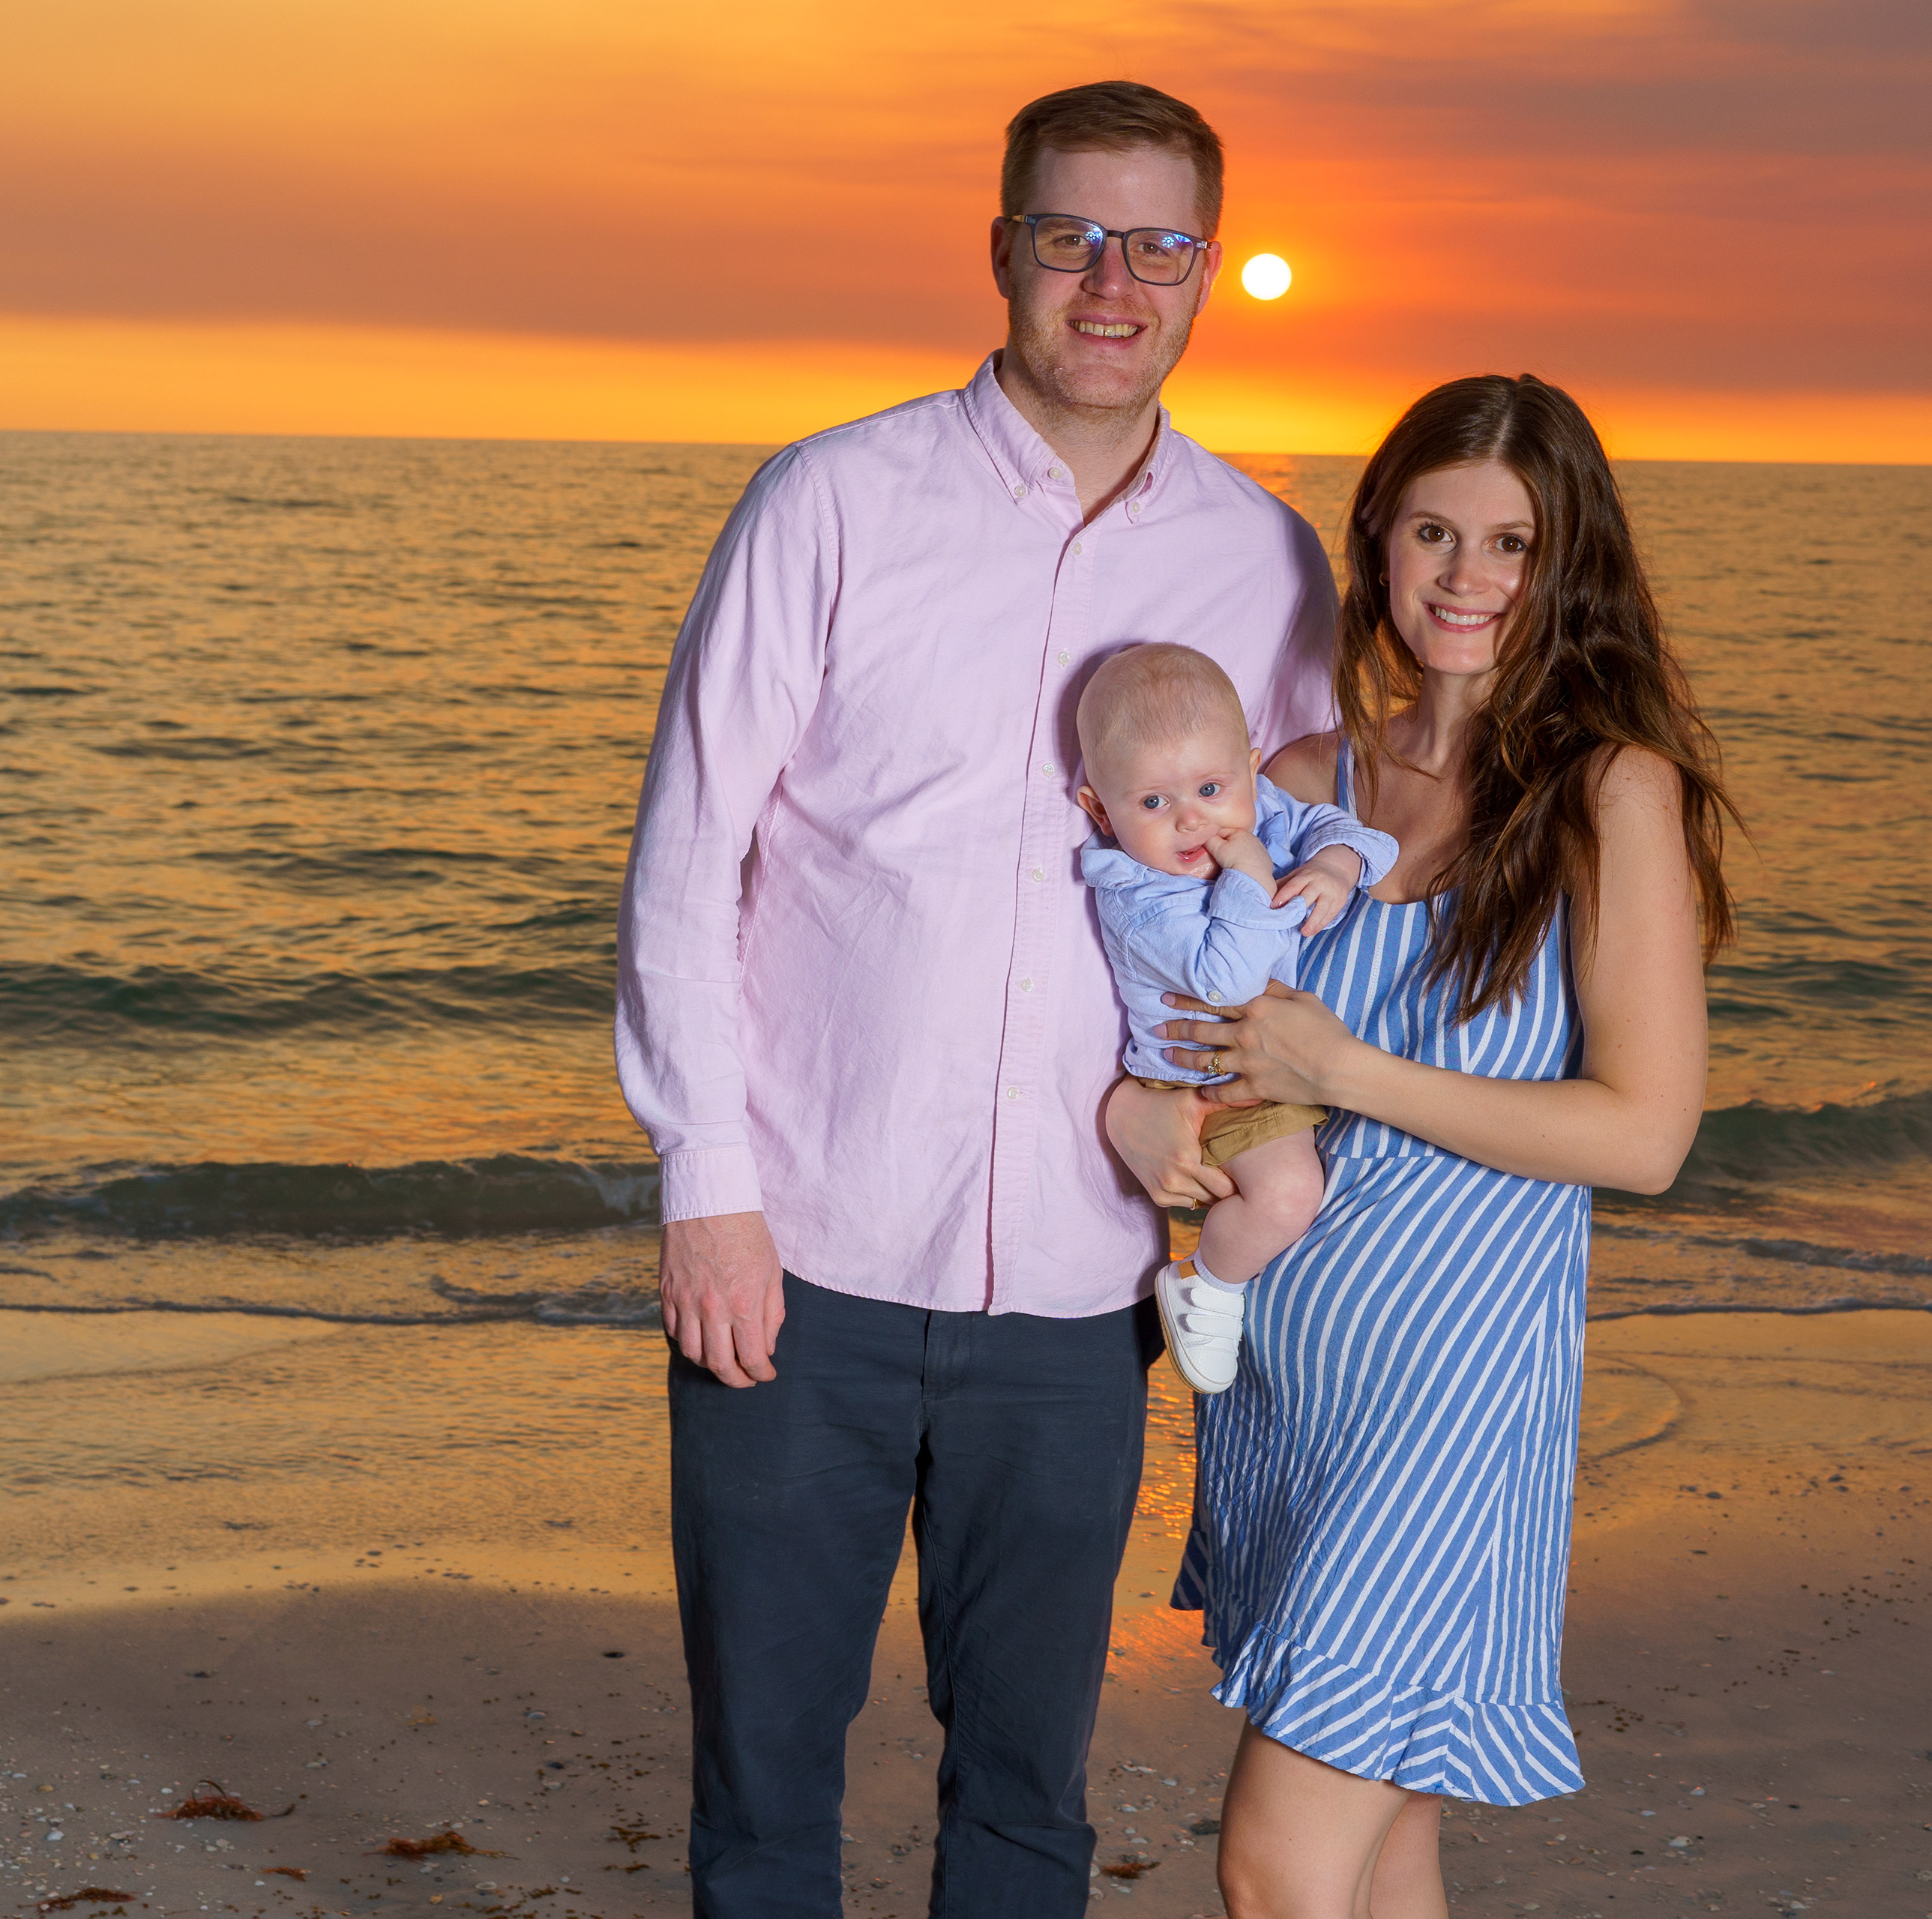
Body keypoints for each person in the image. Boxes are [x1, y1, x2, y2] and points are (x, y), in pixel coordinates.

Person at [613, 82, 1335, 1918]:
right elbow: (692, 856)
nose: (1113, 279)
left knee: (1026, 1789)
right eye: (1068, 235)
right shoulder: (832, 498)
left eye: (1158, 242)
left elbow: (1306, 867)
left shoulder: (1264, 562)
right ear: (999, 250)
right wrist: (707, 1186)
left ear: (1204, 272)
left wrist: (1246, 1135)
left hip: (1084, 1284)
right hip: (806, 1255)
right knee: (763, 1781)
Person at [1122, 373, 1738, 1918]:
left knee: (1275, 1861)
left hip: (1452, 1415)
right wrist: (1142, 1114)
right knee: (1389, 1849)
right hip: (1287, 1396)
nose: (1467, 578)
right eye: (1435, 533)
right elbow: (1170, 1011)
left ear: (1568, 563)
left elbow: (1647, 1131)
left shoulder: (1608, 792)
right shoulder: (1304, 784)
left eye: (1513, 543)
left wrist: (1350, 1066)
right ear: (1380, 545)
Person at [1072, 642, 1400, 1393]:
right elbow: (1228, 975)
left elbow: (1364, 837)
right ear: (1100, 808)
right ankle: (1206, 1284)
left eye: (1212, 788)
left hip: (1265, 1063)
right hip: (1207, 1083)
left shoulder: (1259, 809)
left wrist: (1334, 864)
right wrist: (1255, 871)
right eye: (1153, 803)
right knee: (1288, 1195)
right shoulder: (1137, 891)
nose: (1192, 822)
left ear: (1253, 770)